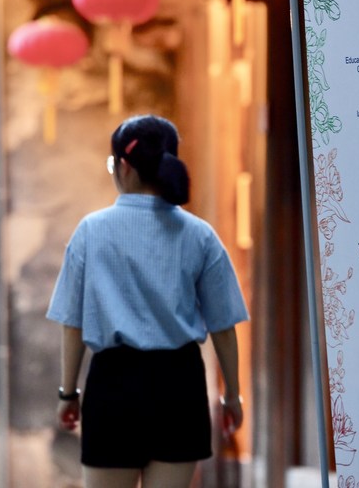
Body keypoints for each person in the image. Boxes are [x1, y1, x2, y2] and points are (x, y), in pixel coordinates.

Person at [47, 114, 249, 488]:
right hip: (180, 389)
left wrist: (68, 393)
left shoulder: (91, 232)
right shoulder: (200, 235)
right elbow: (223, 325)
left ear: (124, 167)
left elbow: (72, 322)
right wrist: (231, 396)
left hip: (113, 389)